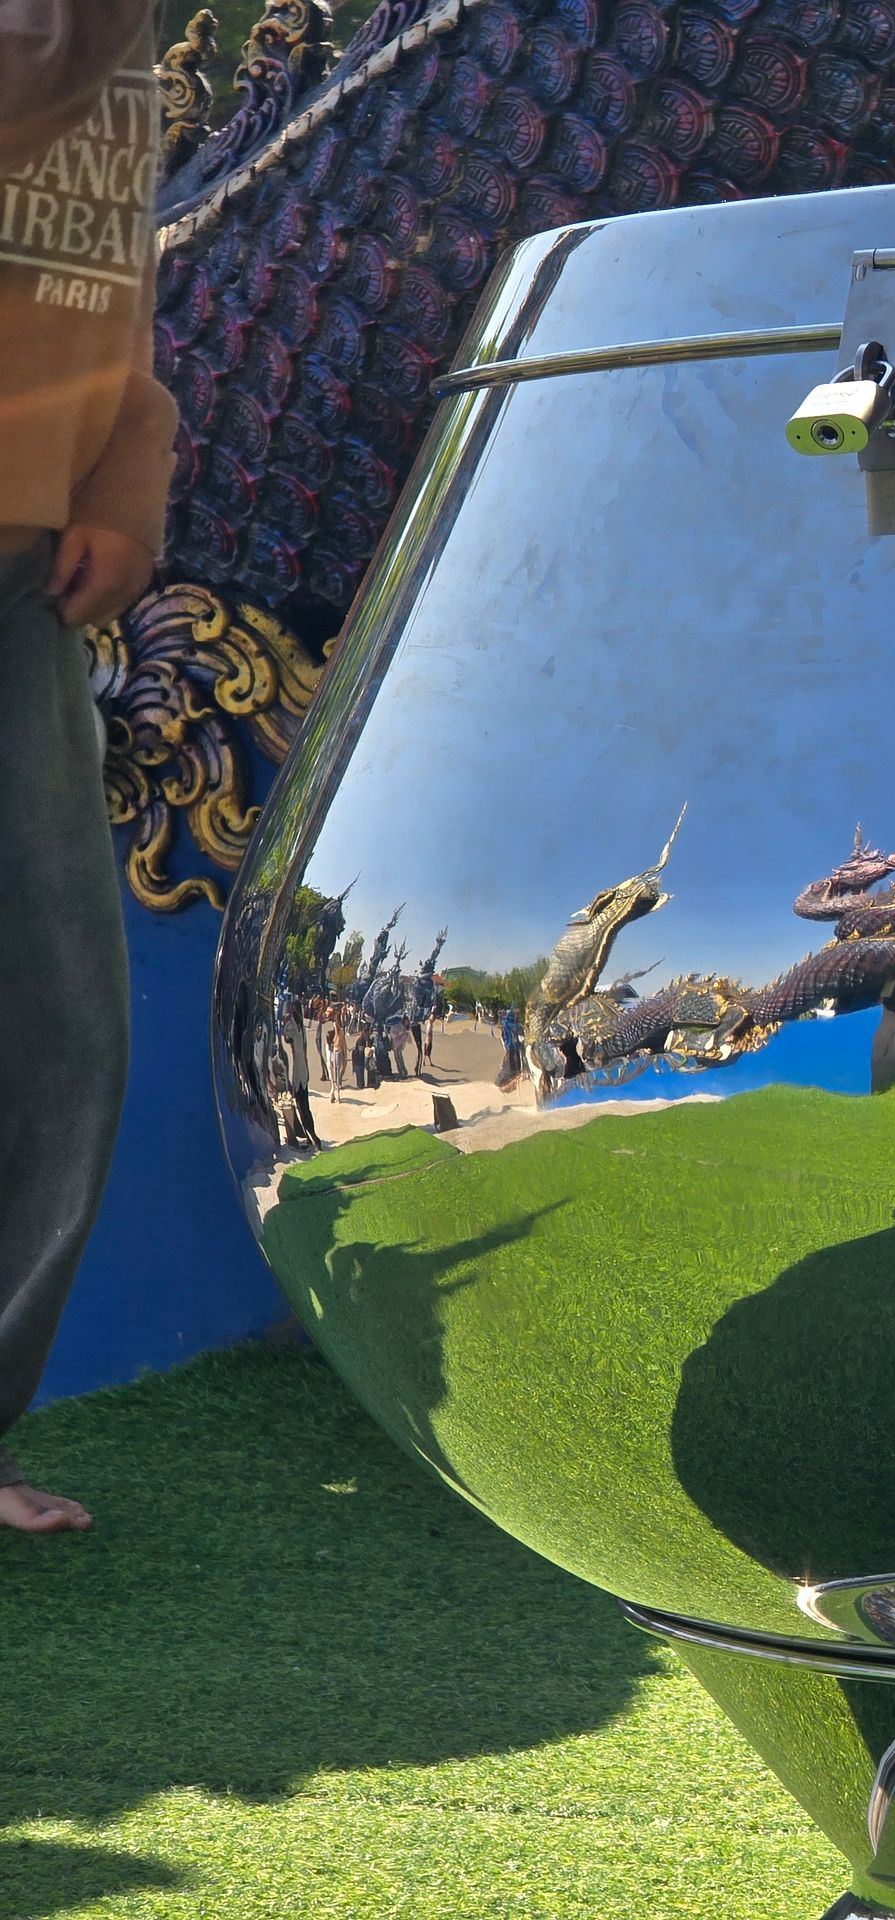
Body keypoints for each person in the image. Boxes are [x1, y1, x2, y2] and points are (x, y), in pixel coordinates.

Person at [0, 2, 179, 1535]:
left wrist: (125, 480)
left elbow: (109, 299)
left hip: (20, 588)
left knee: (55, 1022)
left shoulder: (115, 48)